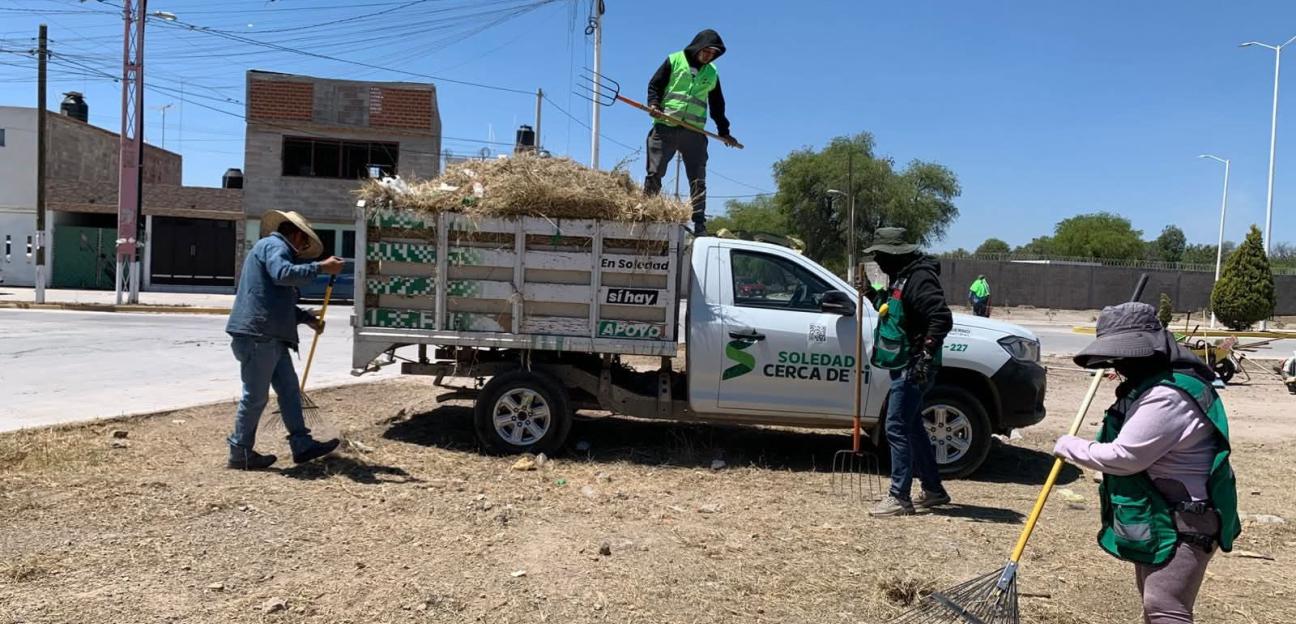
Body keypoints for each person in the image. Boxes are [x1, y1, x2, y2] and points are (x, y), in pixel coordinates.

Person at [1054, 302, 1241, 623]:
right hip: (1163, 513)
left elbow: (1125, 457)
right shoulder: (1158, 386)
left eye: (1124, 358)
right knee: (1156, 605)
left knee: (1166, 608)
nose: (1119, 366)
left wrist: (1069, 446)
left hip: (1185, 520)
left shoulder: (1167, 396)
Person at [225, 210, 345, 470]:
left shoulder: (273, 249)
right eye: (304, 244)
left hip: (271, 337)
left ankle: (301, 444)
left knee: (290, 391)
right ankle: (239, 452)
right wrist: (321, 267)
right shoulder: (273, 245)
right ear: (297, 234)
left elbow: (276, 300)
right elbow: (283, 274)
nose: (303, 250)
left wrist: (306, 319)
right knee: (255, 397)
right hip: (258, 336)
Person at [862, 227, 954, 517]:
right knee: (911, 425)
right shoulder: (901, 277)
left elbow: (941, 317)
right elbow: (894, 310)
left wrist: (925, 356)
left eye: (879, 254)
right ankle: (934, 490)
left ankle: (899, 496)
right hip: (903, 361)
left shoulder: (920, 278)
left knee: (896, 425)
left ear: (894, 254)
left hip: (913, 366)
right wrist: (871, 294)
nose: (877, 259)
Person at [643, 29, 741, 236]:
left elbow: (717, 105)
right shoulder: (674, 60)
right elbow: (655, 85)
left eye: (713, 53)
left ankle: (699, 224)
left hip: (693, 132)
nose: (709, 56)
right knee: (655, 172)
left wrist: (724, 131)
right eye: (706, 51)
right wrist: (653, 103)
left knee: (698, 179)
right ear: (698, 47)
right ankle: (645, 213)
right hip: (666, 126)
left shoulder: (712, 73)